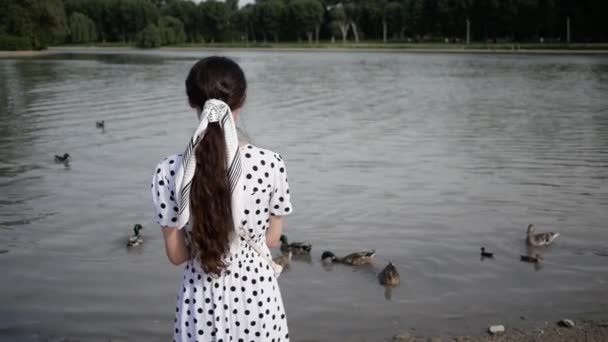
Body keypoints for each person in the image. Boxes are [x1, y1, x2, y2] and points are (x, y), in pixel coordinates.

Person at [151, 56, 292, 342]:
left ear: (191, 101)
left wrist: (207, 242)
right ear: (243, 100)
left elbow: (177, 256)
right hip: (258, 301)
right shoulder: (270, 163)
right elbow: (273, 239)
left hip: (201, 303)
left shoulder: (169, 171)